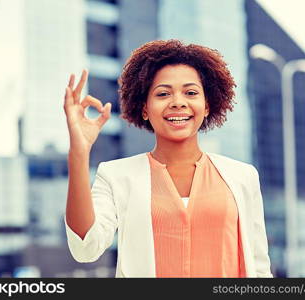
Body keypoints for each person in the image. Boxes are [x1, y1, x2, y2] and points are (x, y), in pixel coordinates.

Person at [63, 39, 273, 278]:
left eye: (191, 92)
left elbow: (259, 267)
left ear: (206, 105)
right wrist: (79, 153)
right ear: (144, 108)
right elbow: (84, 248)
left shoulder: (242, 176)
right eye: (163, 94)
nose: (178, 102)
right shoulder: (115, 175)